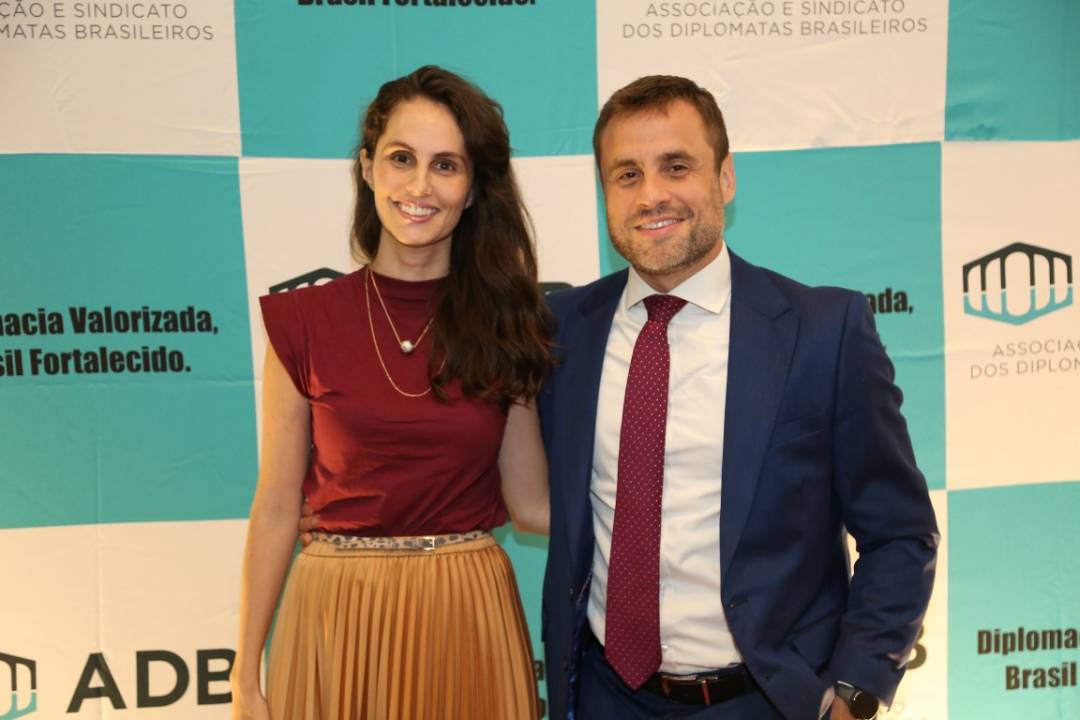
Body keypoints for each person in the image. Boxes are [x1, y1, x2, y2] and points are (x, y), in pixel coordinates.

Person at [537, 76, 939, 719]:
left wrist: (857, 692)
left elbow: (899, 531)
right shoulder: (560, 331)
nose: (652, 194)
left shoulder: (823, 331)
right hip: (606, 697)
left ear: (725, 178)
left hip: (768, 700)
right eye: (627, 174)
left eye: (677, 166)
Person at [231, 65, 551, 720]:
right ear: (367, 167)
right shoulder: (303, 322)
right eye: (402, 158)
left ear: (472, 189)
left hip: (466, 612)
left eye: (446, 166)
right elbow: (276, 506)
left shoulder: (506, 327)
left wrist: (666, 514)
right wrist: (244, 676)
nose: (419, 186)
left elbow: (532, 505)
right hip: (335, 612)